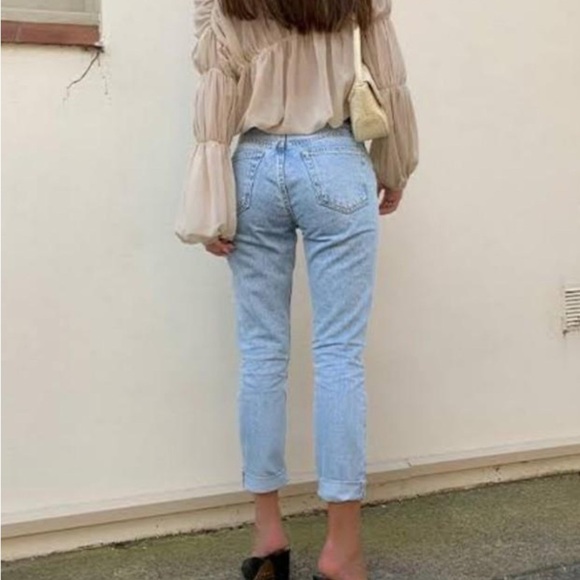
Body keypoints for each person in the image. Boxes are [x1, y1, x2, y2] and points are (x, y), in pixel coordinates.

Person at [174, 0, 418, 577]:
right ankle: (341, 549)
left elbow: (216, 85)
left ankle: (268, 538)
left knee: (261, 353)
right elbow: (388, 76)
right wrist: (395, 163)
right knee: (339, 356)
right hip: (335, 159)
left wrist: (211, 199)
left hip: (254, 165)